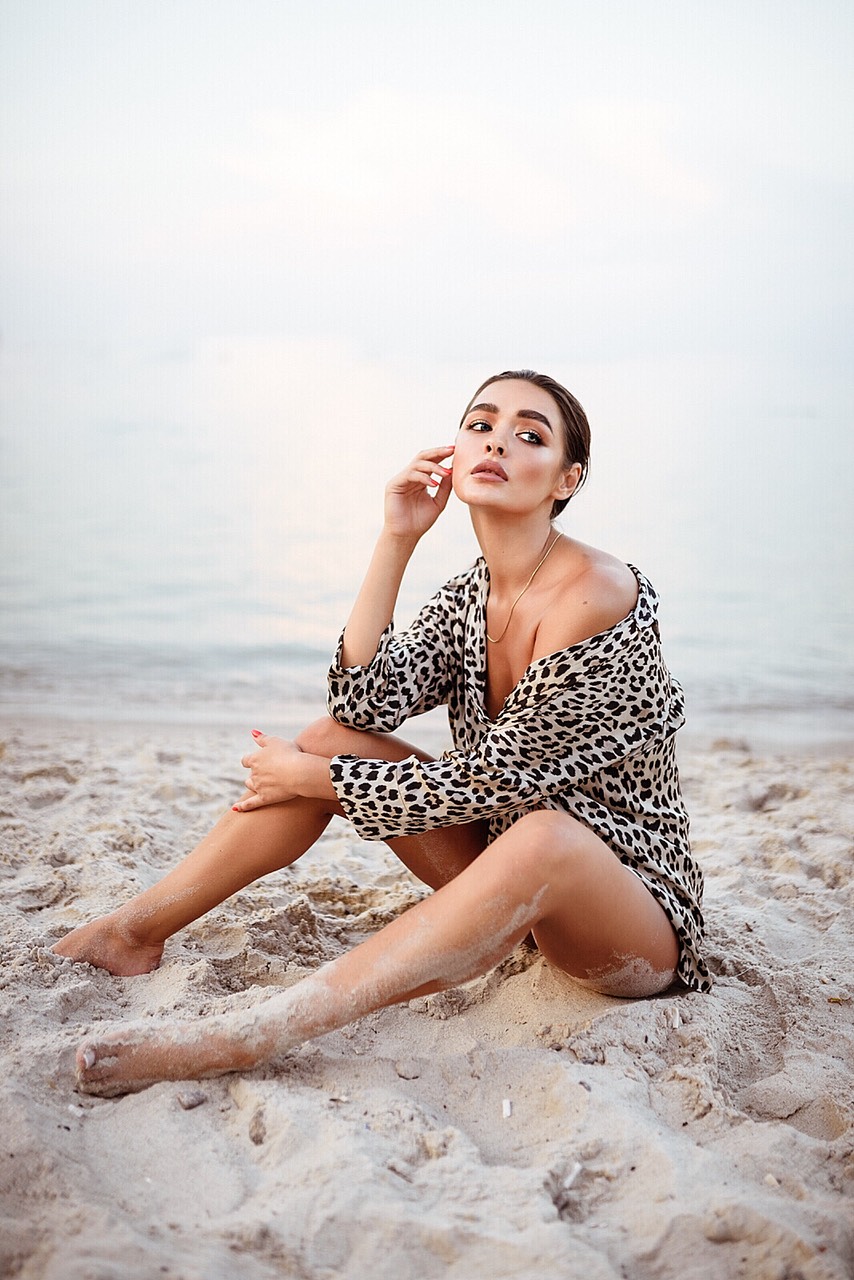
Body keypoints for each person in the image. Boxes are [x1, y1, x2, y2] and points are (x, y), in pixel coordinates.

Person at [55, 369, 710, 1097]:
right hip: (505, 873)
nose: (497, 441)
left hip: (625, 917)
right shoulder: (472, 594)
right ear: (453, 453)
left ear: (567, 479)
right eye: (481, 424)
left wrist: (313, 780)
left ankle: (251, 1033)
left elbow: (493, 778)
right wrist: (397, 539)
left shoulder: (598, 593)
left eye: (530, 435)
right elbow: (360, 704)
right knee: (329, 737)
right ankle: (132, 932)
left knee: (544, 835)